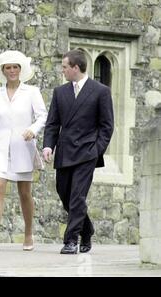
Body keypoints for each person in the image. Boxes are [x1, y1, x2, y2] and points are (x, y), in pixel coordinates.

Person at [42, 49, 114, 254]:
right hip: (65, 153)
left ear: (75, 67)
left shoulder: (100, 91)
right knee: (64, 194)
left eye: (65, 67)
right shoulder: (60, 92)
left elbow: (107, 125)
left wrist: (97, 150)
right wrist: (48, 145)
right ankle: (88, 229)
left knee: (77, 197)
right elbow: (52, 123)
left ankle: (71, 240)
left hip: (87, 153)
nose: (62, 70)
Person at [0, 50, 47, 251]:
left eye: (15, 67)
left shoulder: (32, 92)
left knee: (24, 192)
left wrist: (33, 130)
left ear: (21, 69)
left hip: (23, 147)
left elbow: (42, 116)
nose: (12, 71)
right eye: (8, 67)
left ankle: (28, 234)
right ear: (2, 70)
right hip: (0, 148)